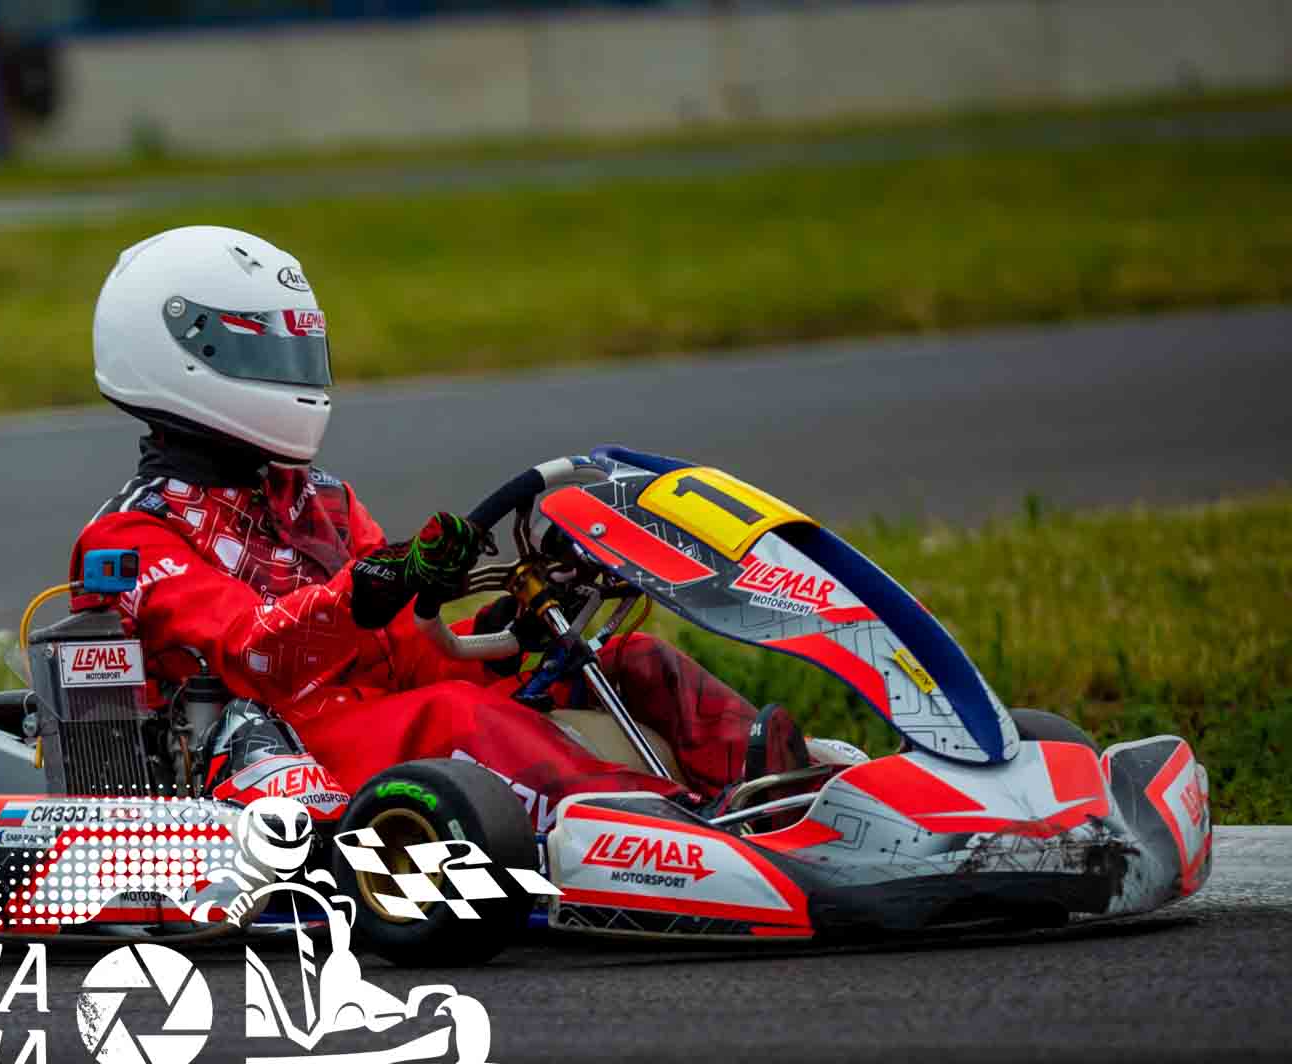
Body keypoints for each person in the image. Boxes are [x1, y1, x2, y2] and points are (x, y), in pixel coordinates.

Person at [70, 225, 805, 824]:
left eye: (296, 351)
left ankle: (774, 795)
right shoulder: (132, 536)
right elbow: (254, 654)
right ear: (173, 353)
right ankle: (663, 832)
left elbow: (406, 654)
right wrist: (375, 586)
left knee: (626, 658)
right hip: (279, 753)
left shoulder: (320, 501)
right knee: (454, 715)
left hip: (379, 714)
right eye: (262, 352)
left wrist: (510, 629)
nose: (291, 374)